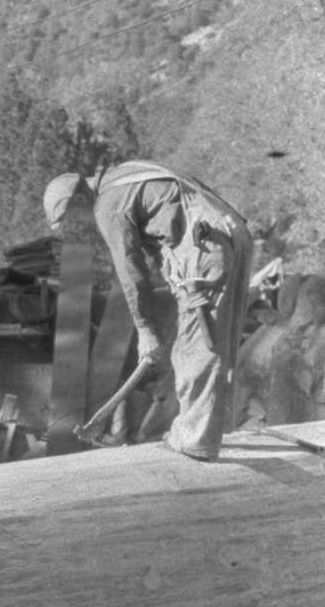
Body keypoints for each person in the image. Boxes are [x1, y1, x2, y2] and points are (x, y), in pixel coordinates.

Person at [43, 161, 256, 461]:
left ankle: (196, 442)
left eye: (73, 217)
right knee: (219, 342)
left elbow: (131, 270)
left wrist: (145, 330)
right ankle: (217, 429)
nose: (81, 223)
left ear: (78, 199)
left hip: (203, 251)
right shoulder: (128, 174)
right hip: (229, 236)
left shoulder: (107, 204)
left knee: (194, 349)